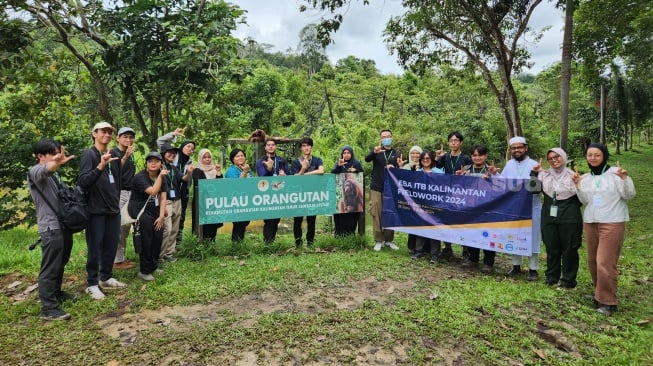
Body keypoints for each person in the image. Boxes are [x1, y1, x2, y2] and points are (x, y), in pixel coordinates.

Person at [573, 143, 635, 315]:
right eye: (590, 155)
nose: (593, 158)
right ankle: (598, 293)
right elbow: (585, 200)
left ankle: (609, 301)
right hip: (591, 221)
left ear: (604, 156)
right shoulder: (586, 178)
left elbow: (629, 195)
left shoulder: (616, 174)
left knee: (604, 261)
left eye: (597, 155)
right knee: (593, 260)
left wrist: (624, 179)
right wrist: (578, 185)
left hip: (613, 221)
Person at [77, 122, 126, 300]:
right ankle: (92, 283)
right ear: (94, 134)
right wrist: (100, 166)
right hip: (95, 209)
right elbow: (83, 182)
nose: (106, 134)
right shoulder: (89, 155)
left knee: (111, 245)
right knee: (95, 246)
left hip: (113, 208)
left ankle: (106, 277)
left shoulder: (113, 154)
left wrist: (116, 201)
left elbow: (118, 182)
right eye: (103, 131)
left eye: (109, 132)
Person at [27, 139, 75, 320]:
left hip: (62, 225)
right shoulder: (35, 172)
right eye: (53, 154)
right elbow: (45, 169)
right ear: (41, 156)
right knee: (50, 267)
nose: (58, 156)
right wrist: (56, 162)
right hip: (50, 227)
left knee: (60, 263)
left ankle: (56, 292)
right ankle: (48, 308)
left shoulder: (52, 175)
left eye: (58, 153)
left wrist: (55, 163)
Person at [530, 148, 582, 288]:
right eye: (551, 158)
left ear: (564, 158)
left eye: (557, 157)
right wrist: (534, 173)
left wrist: (578, 184)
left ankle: (568, 280)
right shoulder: (544, 175)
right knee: (551, 246)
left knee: (569, 248)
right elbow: (533, 190)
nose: (554, 160)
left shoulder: (573, 176)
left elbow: (582, 198)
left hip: (569, 215)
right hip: (548, 213)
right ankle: (551, 277)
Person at [500, 136, 541, 281]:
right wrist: (493, 174)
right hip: (514, 208)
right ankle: (515, 266)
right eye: (514, 148)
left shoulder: (535, 164)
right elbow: (501, 183)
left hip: (531, 207)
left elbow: (538, 188)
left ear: (526, 148)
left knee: (533, 237)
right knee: (514, 236)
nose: (517, 150)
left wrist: (535, 174)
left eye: (519, 147)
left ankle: (533, 269)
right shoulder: (509, 164)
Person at [458, 145, 499, 273]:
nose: (477, 158)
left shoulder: (491, 170)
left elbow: (501, 187)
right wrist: (459, 178)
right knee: (471, 233)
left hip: (488, 207)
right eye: (475, 155)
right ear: (471, 157)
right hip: (471, 206)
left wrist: (494, 176)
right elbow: (459, 186)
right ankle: (473, 258)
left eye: (480, 155)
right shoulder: (466, 170)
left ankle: (488, 262)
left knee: (488, 234)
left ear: (485, 156)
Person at [129, 152, 168, 281]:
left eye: (156, 161)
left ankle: (153, 266)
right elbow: (153, 192)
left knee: (157, 238)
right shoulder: (140, 177)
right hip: (141, 212)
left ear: (161, 164)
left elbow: (163, 198)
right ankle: (144, 271)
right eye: (150, 161)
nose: (153, 163)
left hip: (155, 211)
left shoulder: (161, 176)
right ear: (146, 164)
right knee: (147, 240)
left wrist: (162, 216)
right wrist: (161, 177)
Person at [435, 131, 473, 261]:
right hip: (446, 193)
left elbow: (471, 174)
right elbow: (434, 168)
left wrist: (464, 173)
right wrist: (437, 157)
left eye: (456, 140)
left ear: (461, 142)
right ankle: (447, 248)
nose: (453, 142)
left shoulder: (466, 158)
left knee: (462, 221)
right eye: (451, 140)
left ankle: (466, 250)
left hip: (462, 194)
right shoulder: (445, 157)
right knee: (446, 220)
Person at [157, 128, 195, 246]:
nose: (190, 149)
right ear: (182, 146)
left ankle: (176, 245)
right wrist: (173, 134)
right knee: (165, 222)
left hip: (180, 193)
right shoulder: (172, 156)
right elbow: (160, 142)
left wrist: (189, 173)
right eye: (188, 146)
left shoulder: (190, 162)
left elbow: (186, 178)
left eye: (192, 148)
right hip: (165, 193)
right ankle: (162, 248)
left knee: (179, 219)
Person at [365, 129, 401, 251]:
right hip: (376, 187)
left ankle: (389, 240)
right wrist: (374, 152)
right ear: (380, 139)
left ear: (392, 137)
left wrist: (396, 167)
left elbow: (400, 170)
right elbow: (367, 159)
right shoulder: (377, 152)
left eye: (388, 136)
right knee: (376, 213)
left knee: (390, 213)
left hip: (391, 188)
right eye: (383, 137)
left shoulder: (397, 153)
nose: (386, 138)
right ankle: (379, 240)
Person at [159, 143, 193, 263]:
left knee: (174, 228)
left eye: (174, 153)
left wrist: (189, 173)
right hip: (165, 200)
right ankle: (160, 256)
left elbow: (183, 178)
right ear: (163, 153)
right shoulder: (158, 166)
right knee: (166, 229)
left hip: (177, 199)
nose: (172, 154)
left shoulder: (173, 168)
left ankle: (169, 253)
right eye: (169, 152)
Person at [410, 150, 445, 262]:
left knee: (434, 228)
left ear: (431, 160)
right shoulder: (418, 172)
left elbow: (444, 187)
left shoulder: (439, 172)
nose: (425, 160)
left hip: (435, 205)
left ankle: (435, 254)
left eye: (427, 158)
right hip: (420, 205)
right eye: (423, 159)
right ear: (420, 160)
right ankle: (419, 251)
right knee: (420, 227)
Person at [291, 137, 325, 247]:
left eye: (308, 145)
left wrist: (306, 173)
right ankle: (298, 243)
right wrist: (303, 168)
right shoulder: (296, 162)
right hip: (299, 195)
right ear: (301, 148)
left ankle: (310, 242)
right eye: (304, 146)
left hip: (312, 195)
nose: (306, 148)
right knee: (298, 220)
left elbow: (321, 171)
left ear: (311, 147)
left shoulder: (317, 160)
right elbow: (295, 178)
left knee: (311, 220)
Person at [255, 138, 289, 243]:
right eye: (268, 145)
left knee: (276, 219)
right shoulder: (260, 161)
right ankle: (267, 243)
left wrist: (285, 175)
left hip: (278, 192)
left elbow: (289, 175)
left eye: (273, 144)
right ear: (265, 147)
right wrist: (269, 169)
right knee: (269, 219)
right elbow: (262, 177)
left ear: (276, 147)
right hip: (266, 193)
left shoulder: (281, 160)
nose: (270, 146)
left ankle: (272, 241)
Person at [112, 127, 137, 270]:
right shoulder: (114, 153)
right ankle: (117, 261)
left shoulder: (131, 154)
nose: (128, 140)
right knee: (120, 225)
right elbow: (115, 171)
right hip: (119, 193)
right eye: (125, 137)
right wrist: (126, 156)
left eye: (131, 137)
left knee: (126, 225)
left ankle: (120, 257)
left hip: (130, 192)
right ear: (118, 138)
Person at [331, 145, 364, 236]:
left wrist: (356, 170)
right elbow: (332, 173)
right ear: (342, 154)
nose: (346, 155)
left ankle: (350, 234)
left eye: (348, 153)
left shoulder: (356, 163)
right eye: (344, 153)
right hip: (343, 194)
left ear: (351, 154)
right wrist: (338, 166)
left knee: (352, 216)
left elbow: (361, 173)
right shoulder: (339, 162)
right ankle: (339, 234)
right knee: (340, 215)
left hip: (354, 195)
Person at [192, 148, 224, 241]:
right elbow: (201, 185)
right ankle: (201, 244)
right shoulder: (197, 170)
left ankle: (212, 243)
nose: (207, 159)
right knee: (202, 225)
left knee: (213, 224)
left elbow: (220, 185)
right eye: (204, 157)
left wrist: (218, 172)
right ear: (200, 159)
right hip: (201, 202)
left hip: (213, 202)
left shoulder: (214, 169)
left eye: (209, 157)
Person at [225, 148, 252, 242]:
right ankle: (236, 244)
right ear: (233, 159)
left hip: (247, 200)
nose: (240, 157)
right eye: (237, 156)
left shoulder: (247, 169)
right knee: (239, 223)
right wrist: (244, 172)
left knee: (245, 222)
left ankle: (239, 243)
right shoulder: (231, 171)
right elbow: (236, 187)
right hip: (236, 202)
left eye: (242, 155)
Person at [400, 145, 422, 254]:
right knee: (412, 222)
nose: (415, 155)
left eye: (417, 153)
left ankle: (423, 248)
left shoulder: (425, 166)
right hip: (410, 199)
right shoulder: (406, 167)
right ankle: (412, 246)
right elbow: (400, 181)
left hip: (422, 199)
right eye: (412, 153)